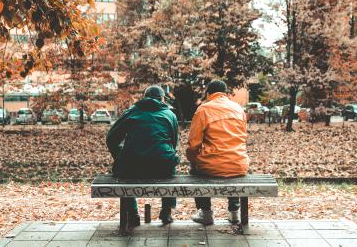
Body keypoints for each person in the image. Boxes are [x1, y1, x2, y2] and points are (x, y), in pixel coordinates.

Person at [106, 85, 180, 228]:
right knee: (170, 164)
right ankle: (166, 212)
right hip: (162, 166)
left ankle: (133, 214)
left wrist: (120, 156)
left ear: (144, 98)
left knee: (124, 173)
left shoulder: (132, 112)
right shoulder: (170, 115)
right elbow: (173, 142)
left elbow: (111, 139)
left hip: (132, 166)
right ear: (163, 99)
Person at [186, 80, 250, 225]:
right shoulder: (238, 109)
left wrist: (192, 160)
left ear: (208, 93)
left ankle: (206, 212)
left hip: (212, 165)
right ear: (226, 93)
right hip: (238, 163)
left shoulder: (204, 109)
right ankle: (234, 212)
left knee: (195, 170)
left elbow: (193, 144)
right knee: (231, 171)